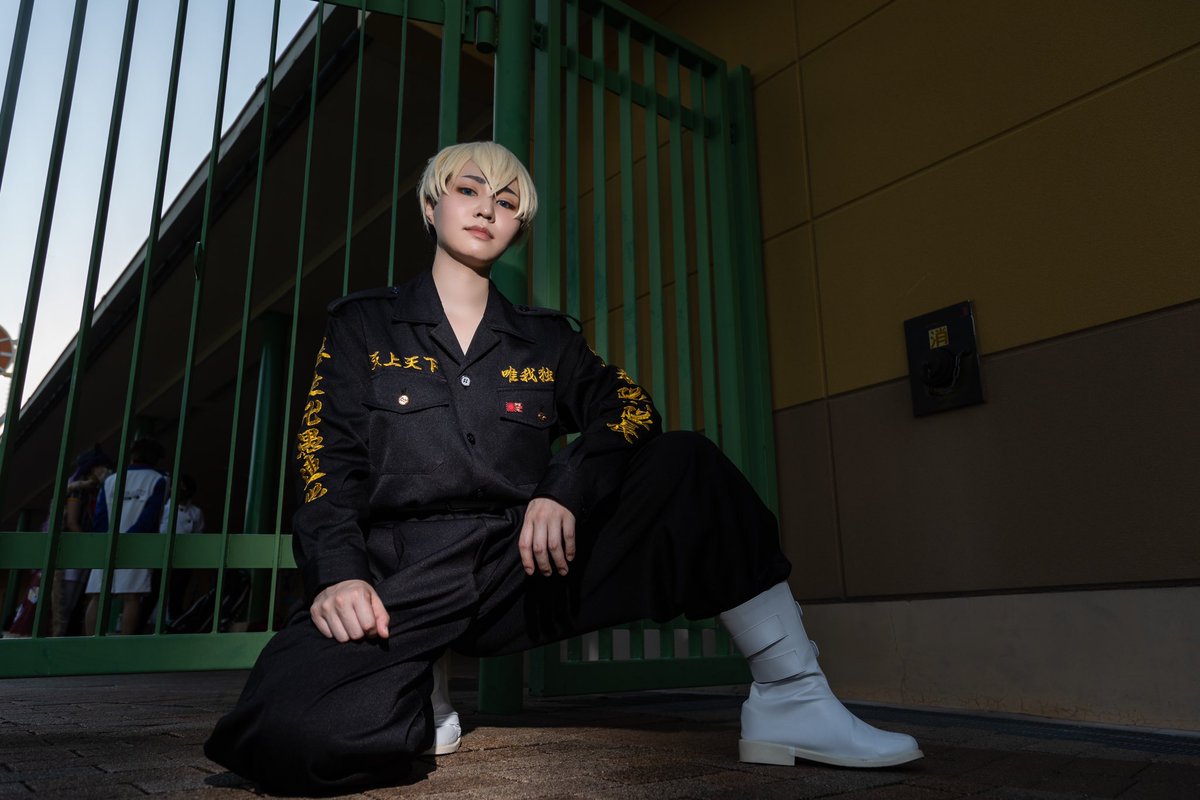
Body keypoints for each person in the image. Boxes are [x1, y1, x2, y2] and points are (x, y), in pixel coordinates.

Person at [204, 141, 921, 795]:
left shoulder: (545, 339)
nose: (487, 208)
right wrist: (339, 572)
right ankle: (417, 682)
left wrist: (565, 488)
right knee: (287, 735)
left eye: (507, 201)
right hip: (404, 580)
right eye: (468, 190)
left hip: (524, 565)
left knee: (687, 464)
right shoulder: (362, 325)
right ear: (430, 206)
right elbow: (323, 457)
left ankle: (793, 696)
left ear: (518, 227)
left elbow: (630, 408)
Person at [84, 438, 168, 635]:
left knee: (98, 595)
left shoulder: (111, 479)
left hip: (108, 541)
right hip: (137, 543)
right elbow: (150, 516)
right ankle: (124, 642)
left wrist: (108, 538)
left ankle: (90, 640)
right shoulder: (158, 480)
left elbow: (100, 516)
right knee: (132, 596)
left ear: (132, 455)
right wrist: (131, 538)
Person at [53, 446, 115, 636]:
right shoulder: (77, 490)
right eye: (101, 466)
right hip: (73, 552)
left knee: (76, 603)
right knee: (64, 604)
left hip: (83, 551)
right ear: (91, 468)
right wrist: (89, 546)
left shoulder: (98, 490)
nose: (106, 470)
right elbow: (72, 522)